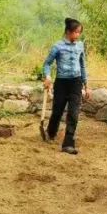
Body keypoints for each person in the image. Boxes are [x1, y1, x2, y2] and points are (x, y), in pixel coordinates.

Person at [42, 18, 89, 155]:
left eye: (80, 32)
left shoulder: (80, 45)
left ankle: (68, 143)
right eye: (76, 32)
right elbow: (47, 64)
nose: (78, 35)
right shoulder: (58, 46)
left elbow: (82, 65)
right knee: (57, 111)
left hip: (76, 82)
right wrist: (48, 77)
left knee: (73, 114)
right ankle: (51, 132)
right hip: (62, 83)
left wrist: (86, 85)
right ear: (68, 32)